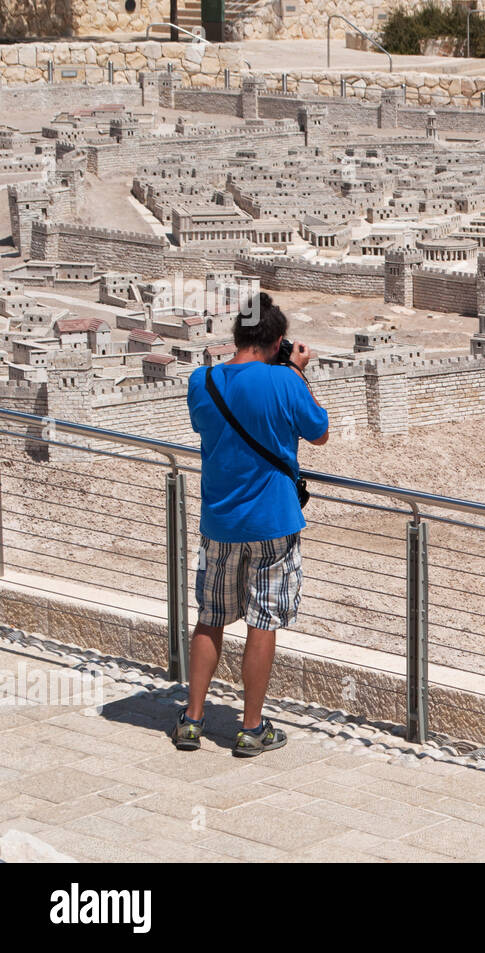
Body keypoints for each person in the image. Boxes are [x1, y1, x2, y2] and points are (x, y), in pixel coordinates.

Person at [173, 292, 329, 756]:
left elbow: (207, 429)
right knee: (262, 623)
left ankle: (192, 719)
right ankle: (251, 728)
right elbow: (319, 431)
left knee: (211, 617)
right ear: (278, 340)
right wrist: (296, 371)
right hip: (273, 522)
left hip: (220, 521)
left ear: (237, 335)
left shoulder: (202, 382)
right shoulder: (285, 382)